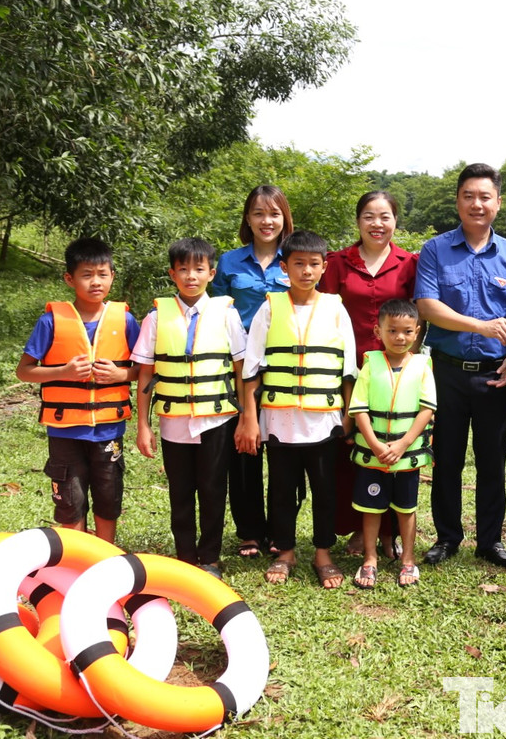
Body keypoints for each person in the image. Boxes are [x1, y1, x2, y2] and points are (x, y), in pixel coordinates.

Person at [414, 163, 506, 568]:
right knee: (447, 458)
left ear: (498, 202)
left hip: (494, 376)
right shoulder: (435, 250)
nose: (476, 204)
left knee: (492, 460)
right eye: (469, 196)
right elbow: (427, 306)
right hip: (445, 371)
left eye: (485, 197)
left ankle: (490, 541)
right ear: (458, 201)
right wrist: (480, 325)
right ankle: (447, 538)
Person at [237, 230, 357, 589]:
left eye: (313, 264)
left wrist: (349, 418)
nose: (306, 271)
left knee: (325, 489)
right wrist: (248, 417)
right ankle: (285, 551)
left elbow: (348, 369)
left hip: (324, 420)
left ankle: (323, 552)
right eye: (298, 264)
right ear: (284, 267)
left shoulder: (335, 307)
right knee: (281, 488)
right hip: (279, 419)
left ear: (324, 267)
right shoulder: (269, 307)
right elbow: (252, 368)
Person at [134, 237, 247, 577]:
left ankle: (209, 558)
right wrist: (143, 425)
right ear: (172, 274)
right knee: (180, 492)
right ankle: (185, 556)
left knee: (214, 489)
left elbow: (242, 370)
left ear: (212, 273)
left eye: (199, 269)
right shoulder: (156, 317)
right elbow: (145, 373)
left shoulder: (227, 313)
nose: (191, 276)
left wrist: (245, 419)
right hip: (174, 421)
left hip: (218, 419)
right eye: (183, 269)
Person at [15, 238, 139, 543]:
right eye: (86, 274)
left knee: (108, 495)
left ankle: (105, 553)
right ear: (69, 278)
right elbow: (24, 370)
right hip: (65, 430)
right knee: (70, 500)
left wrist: (120, 374)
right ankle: (74, 558)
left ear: (112, 275)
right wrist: (63, 372)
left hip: (109, 428)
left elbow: (143, 369)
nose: (95, 281)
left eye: (102, 274)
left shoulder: (124, 320)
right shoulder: (50, 322)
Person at [320, 190, 419, 560]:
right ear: (358, 221)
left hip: (396, 373)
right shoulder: (337, 264)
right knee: (351, 451)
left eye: (385, 217)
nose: (377, 224)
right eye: (368, 216)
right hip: (347, 370)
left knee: (395, 450)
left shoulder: (411, 263)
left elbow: (417, 320)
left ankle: (390, 534)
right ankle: (357, 532)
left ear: (396, 221)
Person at [211, 185, 293, 560]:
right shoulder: (229, 263)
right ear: (248, 218)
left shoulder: (295, 260)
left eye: (274, 213)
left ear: (284, 218)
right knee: (243, 449)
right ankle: (249, 531)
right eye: (259, 213)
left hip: (283, 367)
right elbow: (215, 313)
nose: (267, 221)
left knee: (282, 451)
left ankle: (281, 530)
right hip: (237, 367)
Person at [347, 298, 435, 588]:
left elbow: (427, 409)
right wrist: (373, 444)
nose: (400, 337)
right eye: (393, 330)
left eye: (408, 332)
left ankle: (408, 559)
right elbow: (358, 408)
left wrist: (402, 444)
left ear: (417, 332)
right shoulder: (370, 364)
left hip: (407, 455)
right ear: (378, 331)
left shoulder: (423, 364)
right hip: (374, 454)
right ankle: (370, 559)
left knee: (406, 508)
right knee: (371, 509)